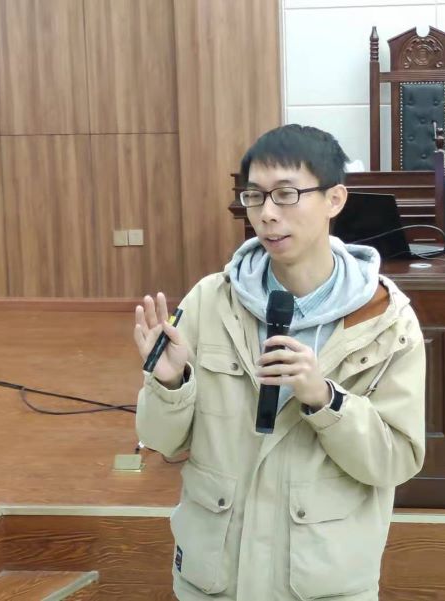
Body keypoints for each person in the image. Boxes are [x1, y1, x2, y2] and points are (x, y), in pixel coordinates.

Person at [134, 124, 425, 601]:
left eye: (287, 194)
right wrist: (170, 385)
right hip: (216, 579)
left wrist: (325, 400)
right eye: (255, 196)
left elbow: (395, 461)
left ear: (334, 199)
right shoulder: (210, 301)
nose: (267, 214)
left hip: (321, 583)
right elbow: (162, 442)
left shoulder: (386, 321)